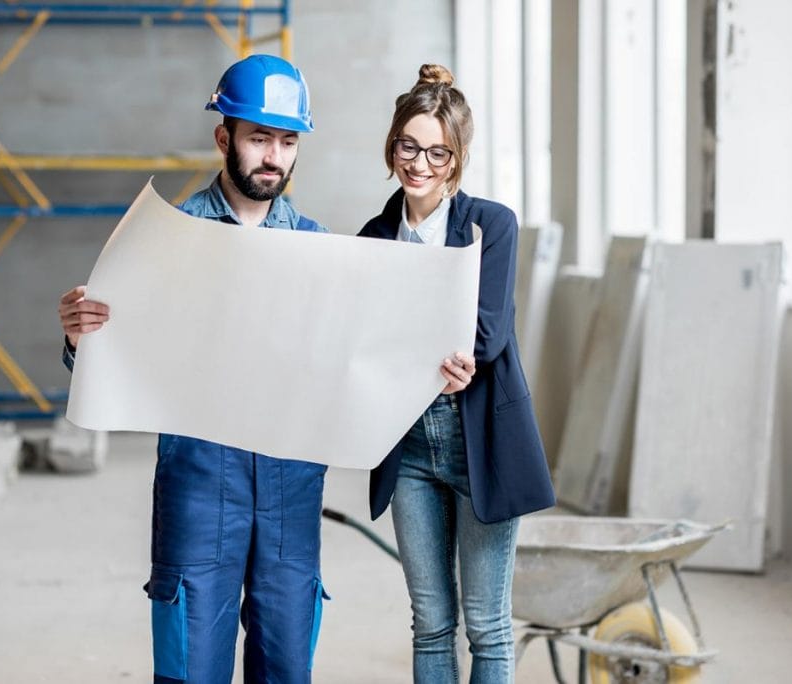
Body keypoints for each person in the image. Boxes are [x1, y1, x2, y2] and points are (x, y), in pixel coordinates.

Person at [58, 54, 329, 683]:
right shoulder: (164, 239)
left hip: (292, 485)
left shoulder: (320, 249)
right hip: (201, 479)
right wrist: (82, 337)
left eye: (287, 142)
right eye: (259, 138)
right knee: (191, 665)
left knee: (287, 664)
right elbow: (113, 358)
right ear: (224, 137)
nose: (274, 157)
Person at [358, 64, 555, 683]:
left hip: (480, 443)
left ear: (458, 157)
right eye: (408, 147)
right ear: (392, 147)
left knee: (487, 623)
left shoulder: (489, 225)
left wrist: (439, 352)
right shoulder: (373, 237)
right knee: (431, 621)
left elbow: (489, 332)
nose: (419, 164)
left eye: (437, 153)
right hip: (410, 446)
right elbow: (365, 340)